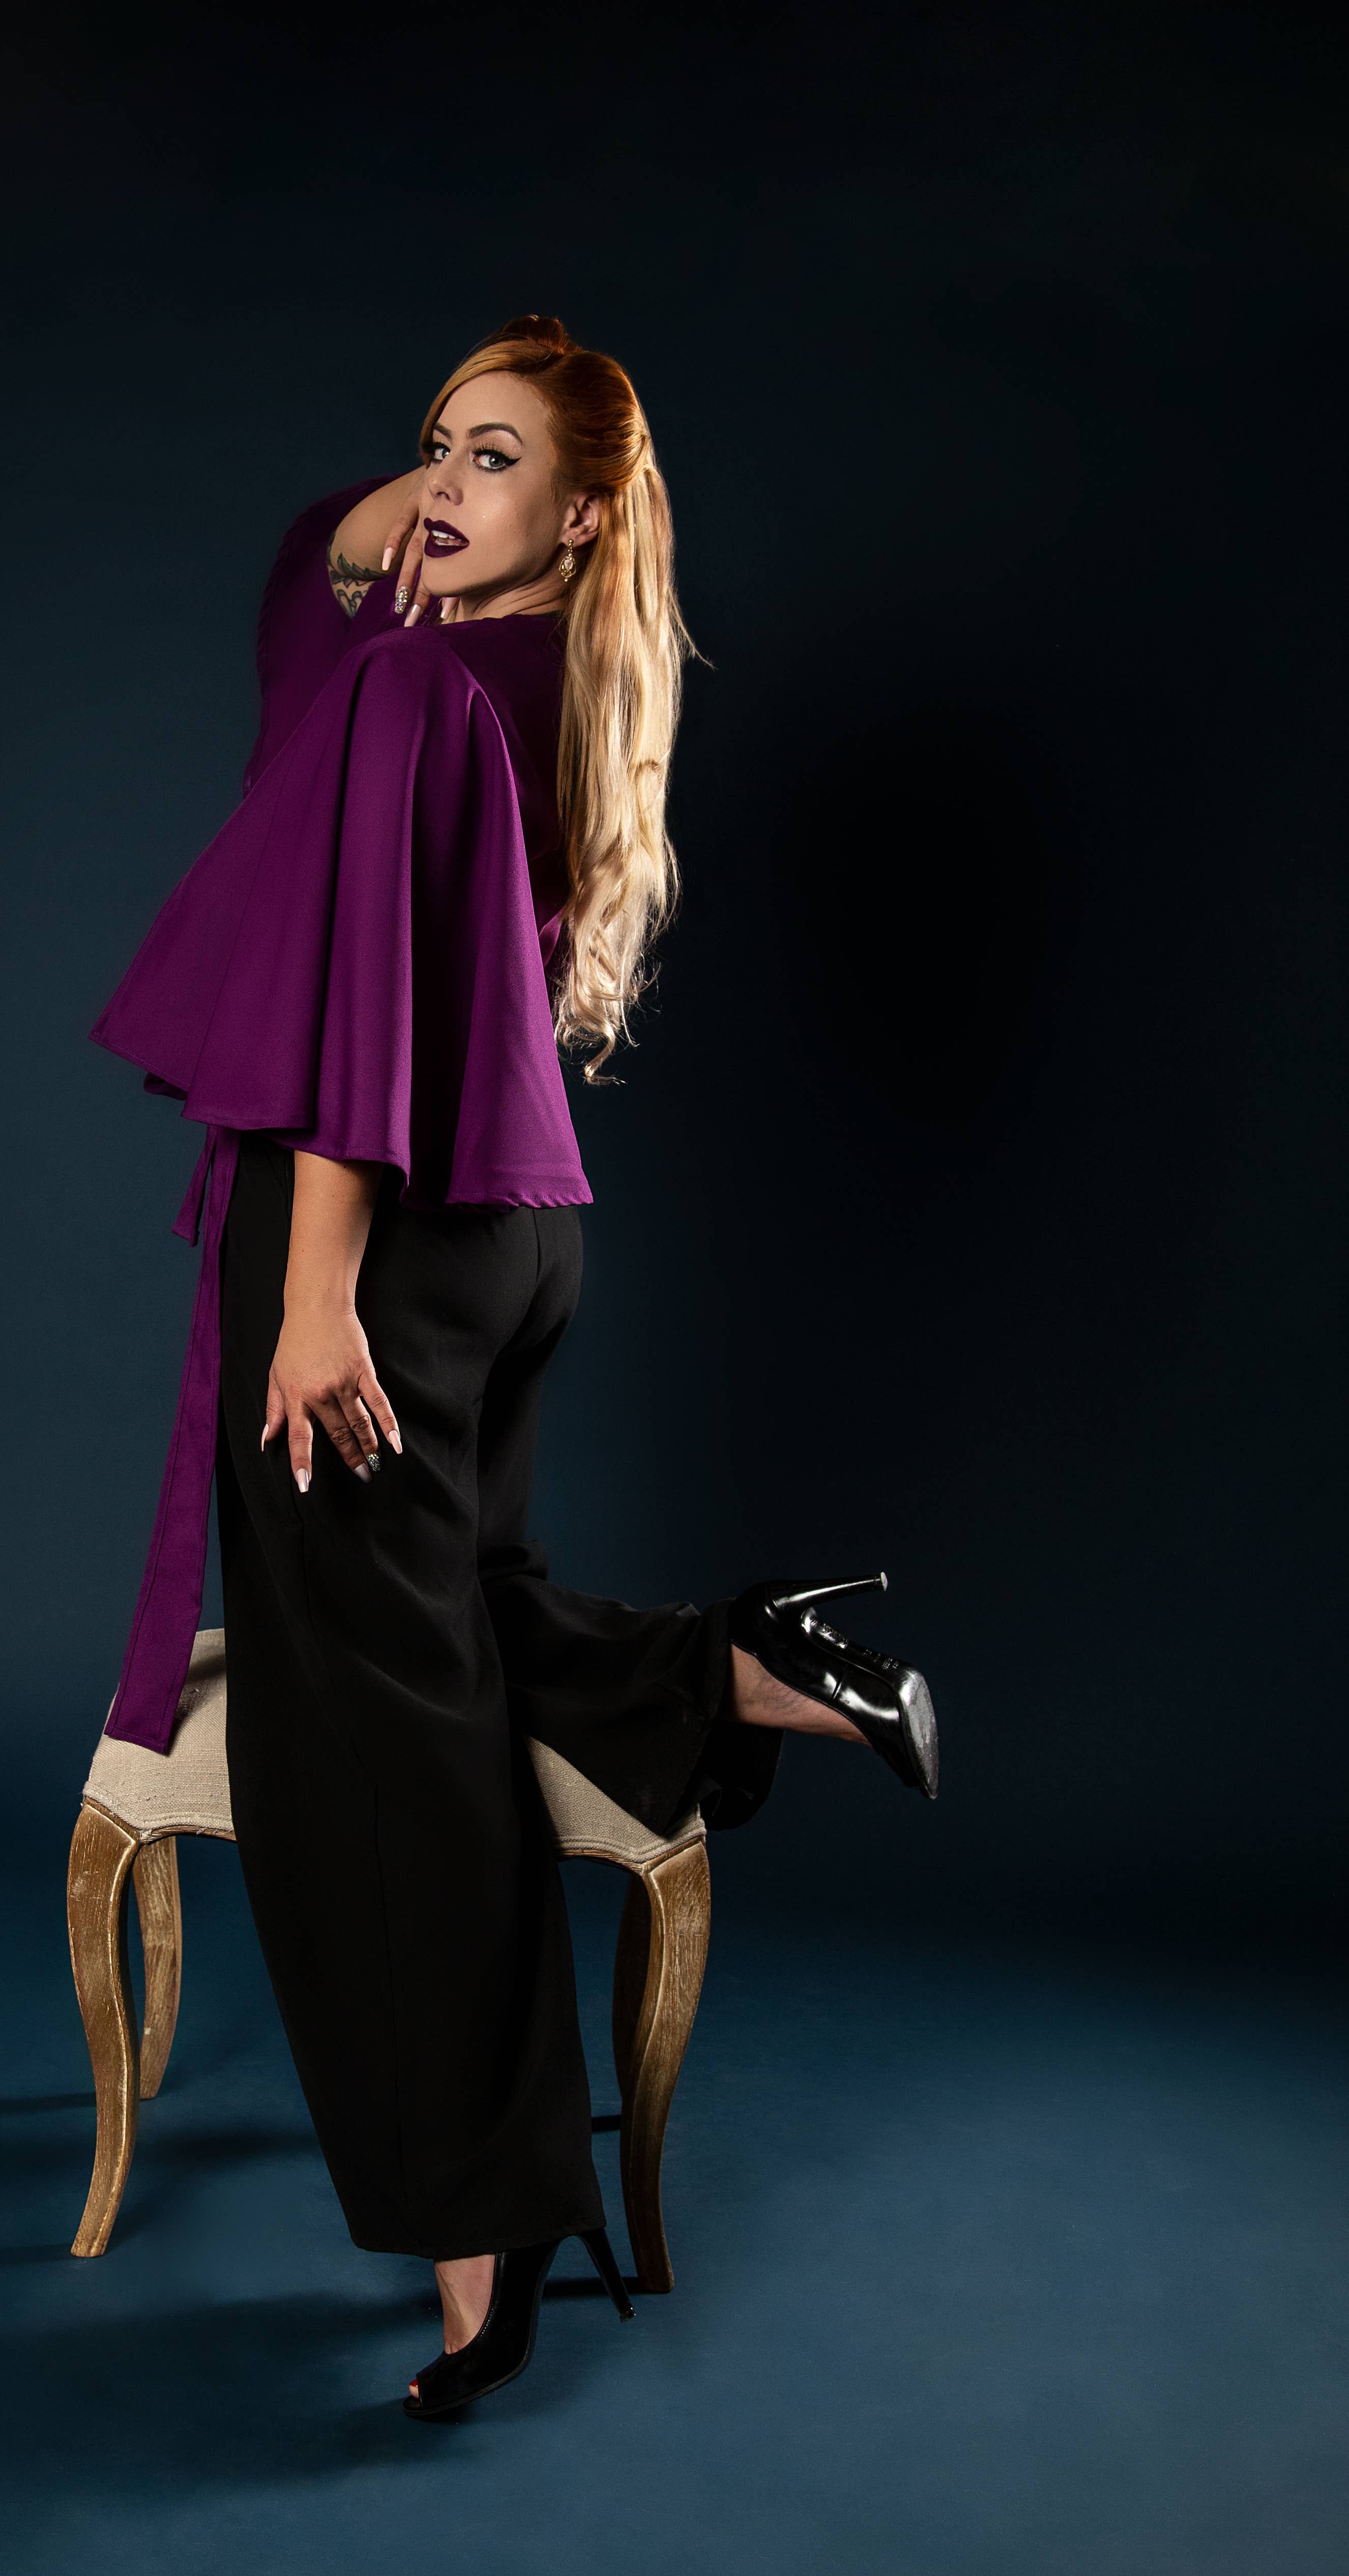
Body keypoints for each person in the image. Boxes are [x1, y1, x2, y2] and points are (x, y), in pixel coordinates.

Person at [90, 316, 938, 2420]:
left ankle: (483, 2240)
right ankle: (753, 1664)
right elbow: (321, 560)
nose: (436, 490)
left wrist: (313, 1294)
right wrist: (482, 485)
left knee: (366, 1756)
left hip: (367, 1234)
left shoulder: (414, 686)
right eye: (433, 445)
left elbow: (351, 999)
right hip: (514, 1235)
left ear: (580, 515)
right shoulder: (544, 677)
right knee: (447, 1626)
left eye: (493, 459)